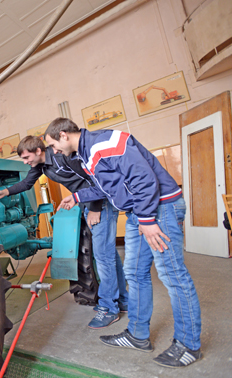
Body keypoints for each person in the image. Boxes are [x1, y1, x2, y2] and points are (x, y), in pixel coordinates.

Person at [45, 118, 201, 368]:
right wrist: (77, 196)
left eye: (53, 145)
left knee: (172, 274)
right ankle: (138, 335)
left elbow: (143, 178)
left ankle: (188, 344)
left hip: (160, 208)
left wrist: (148, 219)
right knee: (135, 272)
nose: (54, 152)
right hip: (139, 211)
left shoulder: (103, 144)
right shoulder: (87, 153)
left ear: (63, 135)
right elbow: (109, 188)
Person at [0, 135, 128, 329]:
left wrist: (95, 207)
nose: (25, 162)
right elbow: (26, 184)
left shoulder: (63, 157)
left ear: (38, 151)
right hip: (86, 202)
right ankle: (122, 300)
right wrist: (5, 192)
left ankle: (109, 309)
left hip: (99, 202)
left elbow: (93, 178)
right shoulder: (40, 167)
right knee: (109, 254)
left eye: (27, 157)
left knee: (103, 257)